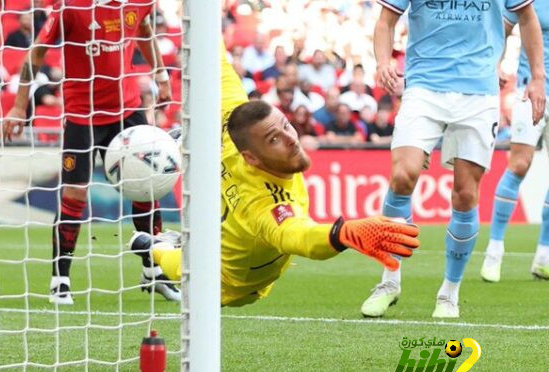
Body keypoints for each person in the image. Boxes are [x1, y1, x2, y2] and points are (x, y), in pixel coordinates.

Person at [127, 43, 420, 308]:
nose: (290, 138)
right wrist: (343, 233)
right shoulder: (265, 204)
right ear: (251, 157)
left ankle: (181, 152)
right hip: (231, 284)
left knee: (208, 219)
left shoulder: (237, 118)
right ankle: (152, 247)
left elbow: (213, 57)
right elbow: (299, 236)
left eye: (284, 125)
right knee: (174, 259)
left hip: (228, 214)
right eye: (274, 139)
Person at [360, 0, 546, 319]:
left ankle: (449, 292)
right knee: (402, 175)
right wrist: (382, 61)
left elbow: (527, 20)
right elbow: (385, 22)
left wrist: (538, 76)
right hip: (423, 89)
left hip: (478, 94)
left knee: (465, 194)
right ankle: (389, 282)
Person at [1, 0, 173, 305]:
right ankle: (60, 279)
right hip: (83, 114)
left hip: (127, 108)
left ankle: (153, 269)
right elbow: (36, 55)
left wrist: (161, 77)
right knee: (75, 194)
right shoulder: (70, 7)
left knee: (146, 186)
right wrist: (18, 105)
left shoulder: (139, 3)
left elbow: (144, 29)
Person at [481, 3, 549, 282]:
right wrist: (495, 64)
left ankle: (544, 256)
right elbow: (503, 29)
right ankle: (494, 251)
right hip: (529, 89)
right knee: (519, 164)